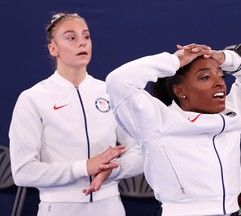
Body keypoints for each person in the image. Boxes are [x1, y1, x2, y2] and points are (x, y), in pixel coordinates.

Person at [104, 43, 241, 216]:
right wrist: (175, 60)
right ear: (179, 91)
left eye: (221, 76)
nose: (219, 83)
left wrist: (223, 57)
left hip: (232, 211)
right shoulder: (157, 121)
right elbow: (118, 81)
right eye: (205, 78)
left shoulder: (233, 113)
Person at [9, 13, 144, 216]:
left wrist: (114, 169)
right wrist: (84, 167)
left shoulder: (110, 91)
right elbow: (23, 172)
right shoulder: (32, 98)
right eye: (71, 37)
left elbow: (141, 153)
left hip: (111, 206)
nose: (82, 43)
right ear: (53, 49)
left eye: (86, 36)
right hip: (58, 208)